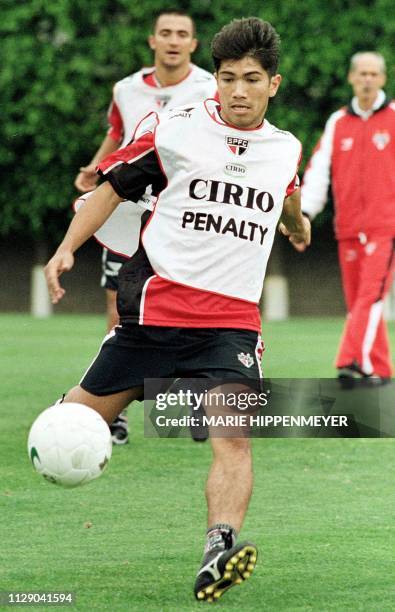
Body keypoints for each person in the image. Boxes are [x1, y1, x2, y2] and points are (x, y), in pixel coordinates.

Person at [45, 18, 310, 602]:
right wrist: (67, 248)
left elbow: (287, 196)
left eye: (251, 79)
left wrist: (297, 227)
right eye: (226, 78)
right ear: (214, 80)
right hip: (151, 321)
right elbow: (109, 189)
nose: (237, 91)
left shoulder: (285, 147)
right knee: (59, 430)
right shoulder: (174, 130)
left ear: (274, 84)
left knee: (232, 438)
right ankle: (157, 400)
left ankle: (221, 544)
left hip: (230, 326)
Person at [74, 9, 217, 444]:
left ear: (193, 44)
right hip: (127, 216)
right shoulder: (126, 89)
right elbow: (118, 136)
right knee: (119, 307)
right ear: (152, 40)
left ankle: (196, 397)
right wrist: (95, 170)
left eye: (183, 35)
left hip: (181, 219)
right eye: (166, 33)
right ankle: (112, 412)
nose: (174, 41)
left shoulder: (209, 87)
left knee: (194, 304)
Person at [301, 52, 394, 387]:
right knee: (359, 302)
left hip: (387, 228)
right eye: (362, 73)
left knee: (369, 297)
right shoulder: (337, 122)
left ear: (383, 79)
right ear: (352, 78)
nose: (368, 79)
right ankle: (380, 368)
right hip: (349, 229)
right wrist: (306, 214)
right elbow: (318, 171)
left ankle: (352, 360)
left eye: (374, 74)